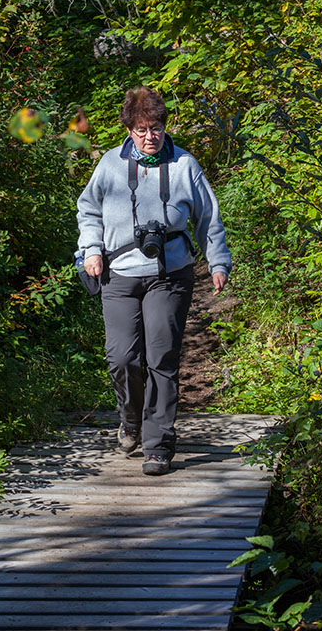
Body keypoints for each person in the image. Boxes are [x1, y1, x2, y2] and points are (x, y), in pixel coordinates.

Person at [76, 86, 231, 475]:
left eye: (156, 128)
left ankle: (158, 444)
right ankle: (130, 419)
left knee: (162, 356)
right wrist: (91, 249)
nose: (150, 136)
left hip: (170, 274)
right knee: (123, 358)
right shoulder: (110, 165)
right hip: (118, 273)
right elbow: (88, 209)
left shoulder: (184, 165)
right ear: (129, 130)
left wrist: (217, 262)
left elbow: (208, 217)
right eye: (142, 130)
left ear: (164, 126)